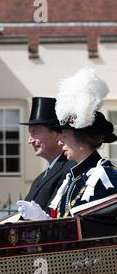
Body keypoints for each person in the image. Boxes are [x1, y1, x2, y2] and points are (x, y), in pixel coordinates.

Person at [19, 67, 117, 220]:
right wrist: (42, 220)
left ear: (81, 138)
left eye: (64, 135)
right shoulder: (72, 178)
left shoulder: (105, 175)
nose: (60, 140)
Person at [19, 97, 76, 212]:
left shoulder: (70, 169)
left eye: (35, 133)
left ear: (56, 134)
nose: (30, 140)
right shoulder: (39, 178)